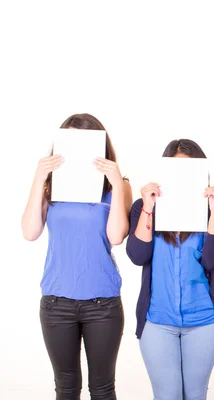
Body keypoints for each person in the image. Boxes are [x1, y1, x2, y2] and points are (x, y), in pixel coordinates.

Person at [21, 113, 132, 400]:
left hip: (102, 304)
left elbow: (117, 236)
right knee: (66, 388)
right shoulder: (50, 187)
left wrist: (117, 183)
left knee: (102, 389)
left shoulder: (117, 187)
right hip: (57, 303)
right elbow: (30, 231)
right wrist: (39, 177)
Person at [126, 139, 214, 400]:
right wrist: (148, 207)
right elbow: (138, 255)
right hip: (157, 321)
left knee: (195, 395)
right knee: (167, 395)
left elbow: (213, 260)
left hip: (203, 321)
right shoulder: (144, 208)